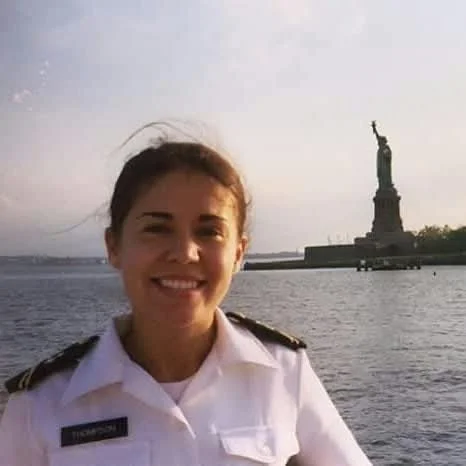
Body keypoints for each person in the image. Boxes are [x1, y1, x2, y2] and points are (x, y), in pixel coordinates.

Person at [0, 128, 372, 465]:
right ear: (114, 246)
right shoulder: (39, 405)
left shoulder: (283, 375)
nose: (184, 252)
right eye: (157, 229)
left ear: (239, 253)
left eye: (209, 231)